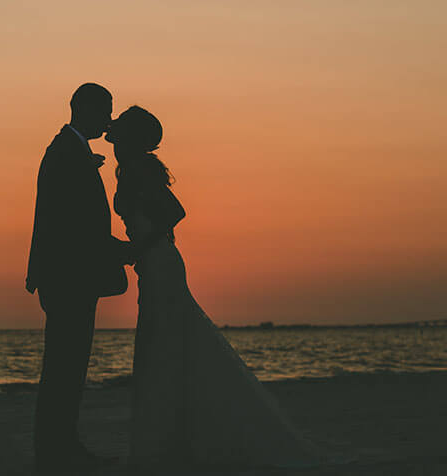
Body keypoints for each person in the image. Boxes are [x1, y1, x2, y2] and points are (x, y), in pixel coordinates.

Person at [106, 106, 323, 470]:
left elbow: (175, 212)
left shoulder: (137, 169)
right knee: (165, 345)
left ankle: (175, 439)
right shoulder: (129, 169)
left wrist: (137, 247)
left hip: (159, 262)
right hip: (154, 263)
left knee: (165, 342)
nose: (112, 143)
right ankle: (175, 434)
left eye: (117, 137)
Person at [26, 83, 134, 472]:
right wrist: (125, 251)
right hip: (68, 279)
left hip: (69, 278)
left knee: (67, 368)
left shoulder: (69, 151)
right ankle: (57, 453)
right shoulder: (65, 154)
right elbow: (75, 226)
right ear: (84, 109)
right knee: (64, 370)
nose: (108, 120)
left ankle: (61, 448)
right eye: (105, 111)